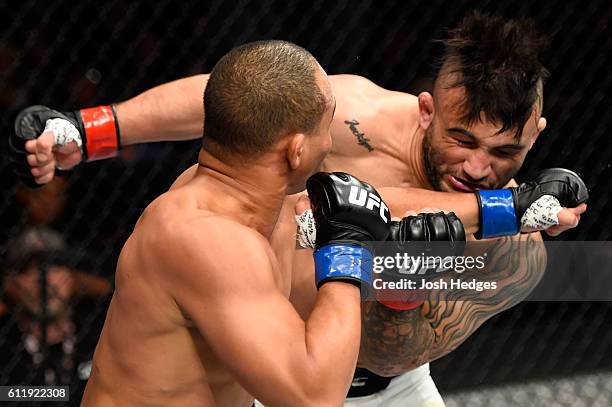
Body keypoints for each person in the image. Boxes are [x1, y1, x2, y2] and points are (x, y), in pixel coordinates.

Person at [9, 13, 588, 406]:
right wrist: (91, 131)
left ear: (535, 137)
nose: (479, 167)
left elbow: (402, 318)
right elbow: (236, 96)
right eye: (463, 140)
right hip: (281, 364)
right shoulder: (349, 119)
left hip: (392, 384)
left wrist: (485, 226)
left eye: (504, 152)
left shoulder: (516, 238)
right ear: (426, 111)